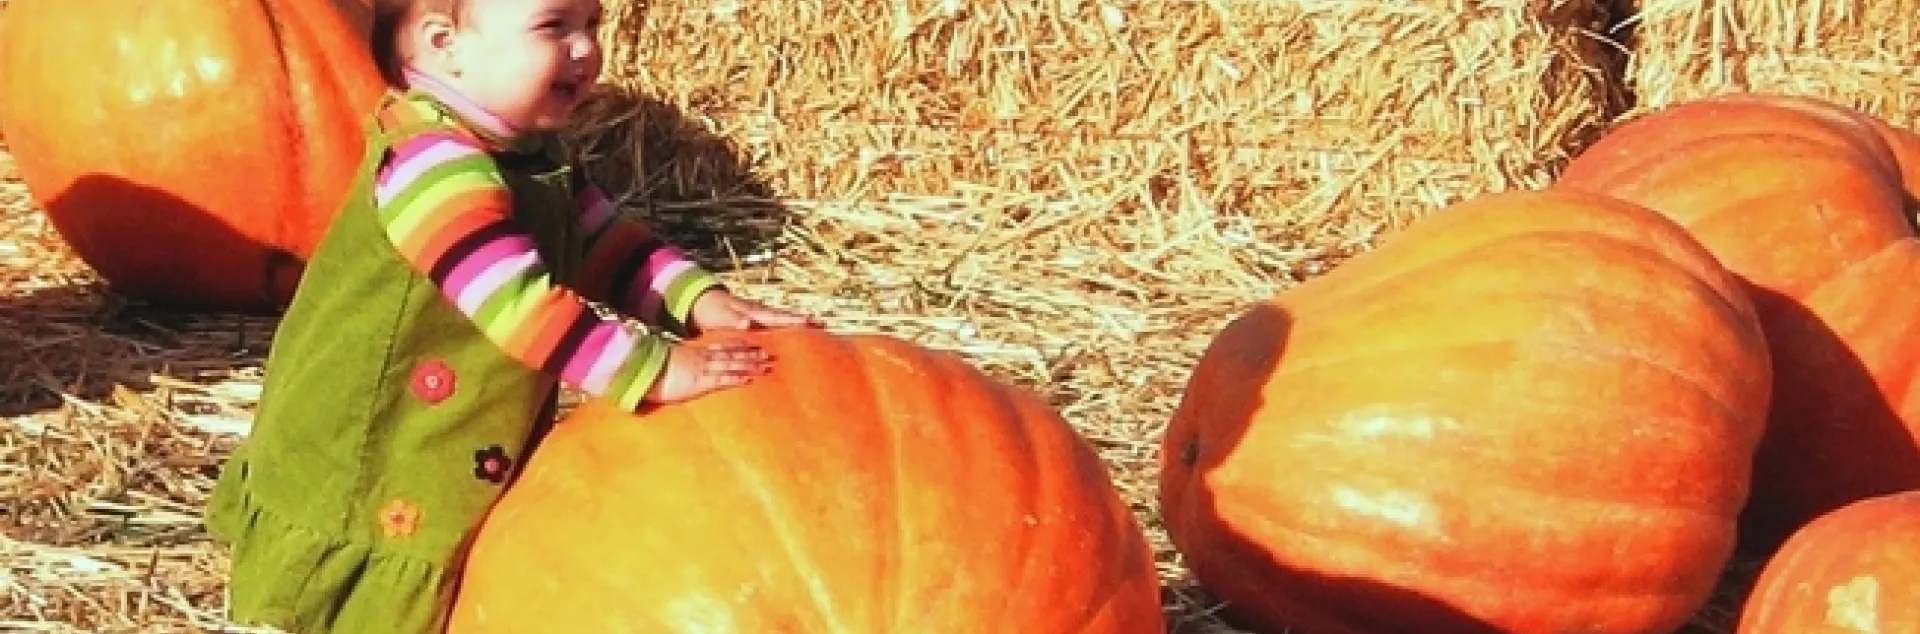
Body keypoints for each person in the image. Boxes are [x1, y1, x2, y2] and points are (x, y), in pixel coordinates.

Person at [203, 0, 820, 631]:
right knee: (384, 588)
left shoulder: (526, 151)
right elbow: (520, 307)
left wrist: (695, 300)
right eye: (555, 27)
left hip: (456, 426)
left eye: (593, 24)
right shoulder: (435, 168)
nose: (585, 49)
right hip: (382, 444)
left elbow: (602, 245)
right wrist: (654, 369)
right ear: (447, 45)